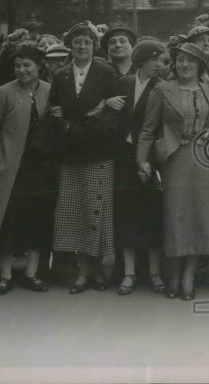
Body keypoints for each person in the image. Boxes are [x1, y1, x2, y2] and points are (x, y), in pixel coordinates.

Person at [136, 41, 209, 301]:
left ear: (200, 66)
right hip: (175, 160)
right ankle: (172, 276)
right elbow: (147, 129)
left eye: (191, 61)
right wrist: (142, 160)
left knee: (199, 217)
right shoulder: (163, 90)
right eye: (181, 60)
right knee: (176, 217)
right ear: (174, 64)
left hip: (204, 161)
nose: (185, 65)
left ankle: (188, 277)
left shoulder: (208, 90)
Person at [49, 22, 121, 294]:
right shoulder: (61, 75)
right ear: (70, 45)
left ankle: (99, 269)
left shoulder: (106, 72)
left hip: (98, 150)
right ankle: (82, 270)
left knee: (97, 209)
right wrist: (67, 130)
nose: (81, 46)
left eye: (87, 42)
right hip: (70, 151)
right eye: (77, 41)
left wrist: (94, 131)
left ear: (94, 46)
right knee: (74, 210)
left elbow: (114, 109)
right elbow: (54, 109)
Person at [0, 46, 55, 295]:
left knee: (36, 220)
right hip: (9, 168)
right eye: (17, 65)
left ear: (39, 66)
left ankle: (32, 273)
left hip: (39, 169)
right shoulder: (3, 92)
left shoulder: (50, 91)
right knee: (6, 222)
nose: (22, 70)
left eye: (27, 65)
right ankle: (5, 275)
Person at [108, 38, 166, 296]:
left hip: (150, 161)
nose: (159, 65)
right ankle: (128, 273)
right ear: (141, 62)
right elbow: (113, 119)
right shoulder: (124, 83)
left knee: (152, 215)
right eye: (155, 60)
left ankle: (155, 272)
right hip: (124, 158)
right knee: (126, 215)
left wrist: (149, 158)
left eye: (161, 60)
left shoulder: (163, 88)